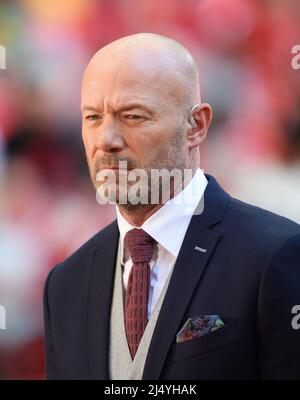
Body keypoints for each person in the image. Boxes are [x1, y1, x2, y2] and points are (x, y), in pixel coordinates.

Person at [43, 33, 300, 380]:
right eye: (93, 117)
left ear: (196, 126)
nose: (106, 139)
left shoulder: (276, 254)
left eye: (132, 116)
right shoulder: (65, 285)